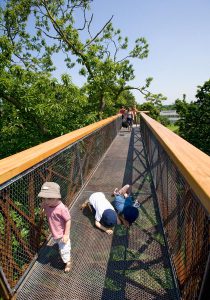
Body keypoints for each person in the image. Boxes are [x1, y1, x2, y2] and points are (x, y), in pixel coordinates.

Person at [38, 182, 72, 273]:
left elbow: (68, 220)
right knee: (60, 245)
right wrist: (42, 207)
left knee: (64, 250)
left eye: (49, 198)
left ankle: (68, 262)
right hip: (55, 233)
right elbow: (43, 205)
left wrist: (66, 234)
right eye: (44, 199)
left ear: (57, 197)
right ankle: (63, 251)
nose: (46, 201)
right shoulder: (47, 204)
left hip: (62, 234)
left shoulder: (61, 208)